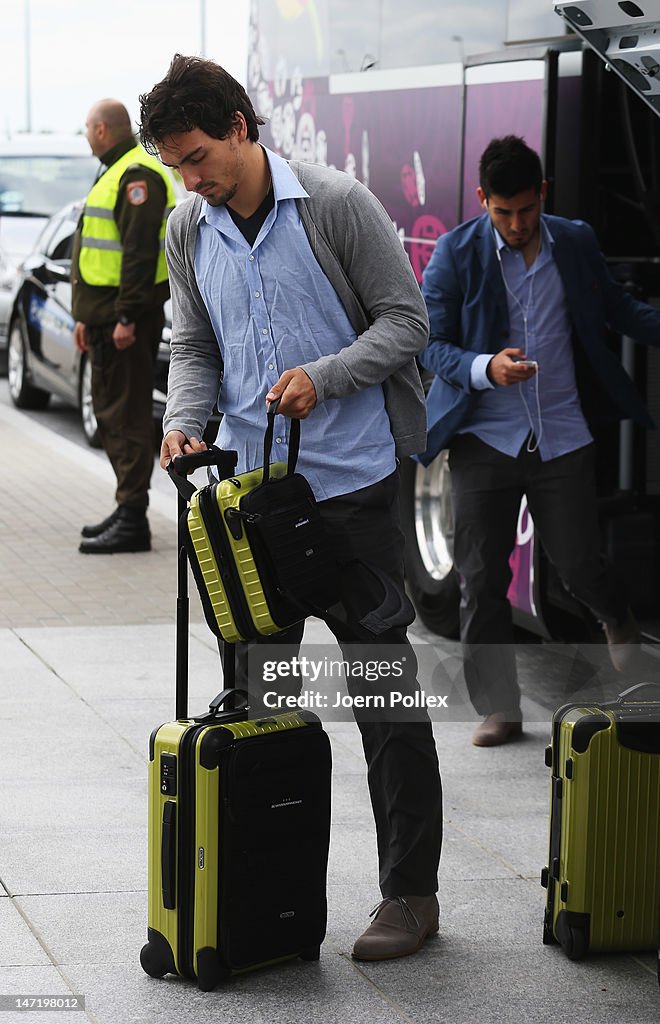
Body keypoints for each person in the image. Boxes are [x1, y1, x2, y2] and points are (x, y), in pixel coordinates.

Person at [138, 54, 442, 962]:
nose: (188, 180)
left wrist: (327, 375)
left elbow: (406, 322)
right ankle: (247, 893)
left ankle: (411, 896)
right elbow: (192, 343)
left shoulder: (338, 204)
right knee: (254, 699)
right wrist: (185, 421)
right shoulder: (189, 229)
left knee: (385, 698)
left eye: (195, 157)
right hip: (248, 509)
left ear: (239, 125)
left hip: (350, 491)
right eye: (174, 166)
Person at [419, 134, 660, 747]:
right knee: (480, 579)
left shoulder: (574, 241)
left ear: (542, 195)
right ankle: (499, 709)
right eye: (503, 213)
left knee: (579, 563)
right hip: (484, 440)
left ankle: (615, 613)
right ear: (483, 200)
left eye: (526, 210)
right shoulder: (456, 252)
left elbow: (620, 312)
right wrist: (485, 367)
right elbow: (430, 343)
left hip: (562, 434)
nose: (517, 224)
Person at [72, 98, 176, 553]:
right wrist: (86, 316)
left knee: (127, 415)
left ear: (101, 130)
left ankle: (133, 517)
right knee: (110, 413)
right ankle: (125, 506)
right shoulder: (118, 169)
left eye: (87, 129)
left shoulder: (137, 175)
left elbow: (137, 255)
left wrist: (127, 316)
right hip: (108, 316)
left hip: (125, 319)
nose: (86, 136)